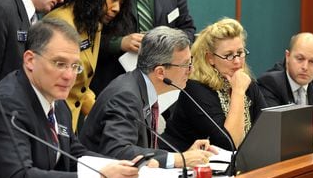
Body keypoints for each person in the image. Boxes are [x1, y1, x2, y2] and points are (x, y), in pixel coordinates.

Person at [0, 19, 141, 178]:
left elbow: (73, 153)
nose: (69, 76)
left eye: (75, 66)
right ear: (30, 60)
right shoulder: (4, 105)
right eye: (60, 64)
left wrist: (122, 169)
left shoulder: (58, 101)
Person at [78, 27, 215, 168]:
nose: (191, 70)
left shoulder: (140, 87)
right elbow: (118, 151)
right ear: (160, 72)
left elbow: (143, 148)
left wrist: (185, 154)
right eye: (186, 64)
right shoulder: (126, 96)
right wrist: (178, 159)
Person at [45, 0, 133, 132]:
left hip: (72, 122)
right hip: (51, 121)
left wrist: (104, 116)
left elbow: (81, 88)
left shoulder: (94, 25)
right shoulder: (60, 24)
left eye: (121, 3)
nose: (116, 8)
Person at [161, 18, 267, 151]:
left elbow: (267, 130)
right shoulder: (195, 89)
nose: (237, 61)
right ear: (210, 58)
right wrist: (238, 92)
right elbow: (229, 143)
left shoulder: (246, 83)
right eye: (228, 55)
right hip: (182, 165)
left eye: (240, 53)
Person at [257, 32, 313, 124]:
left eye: (312, 61)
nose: (305, 67)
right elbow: (275, 126)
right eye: (300, 59)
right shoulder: (270, 83)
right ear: (287, 56)